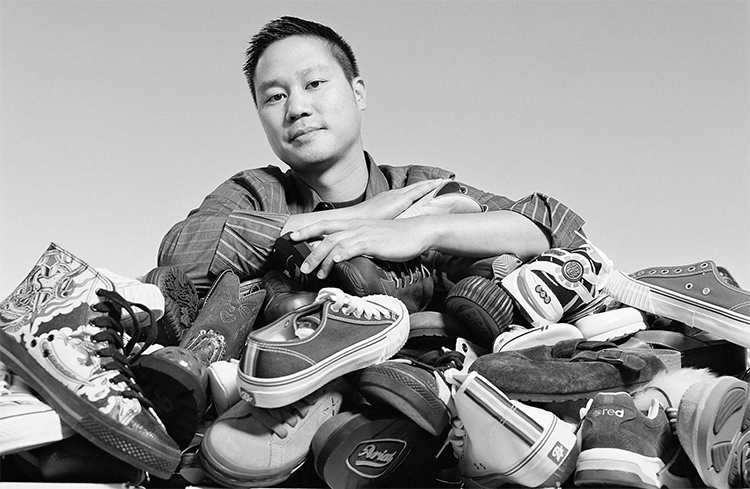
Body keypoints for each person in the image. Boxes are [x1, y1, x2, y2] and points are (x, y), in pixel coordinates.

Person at [158, 16, 587, 296]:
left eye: (314, 84)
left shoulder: (418, 186)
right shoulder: (254, 191)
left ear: (357, 92)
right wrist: (363, 218)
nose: (297, 108)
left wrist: (423, 230)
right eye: (274, 96)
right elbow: (178, 254)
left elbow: (553, 228)